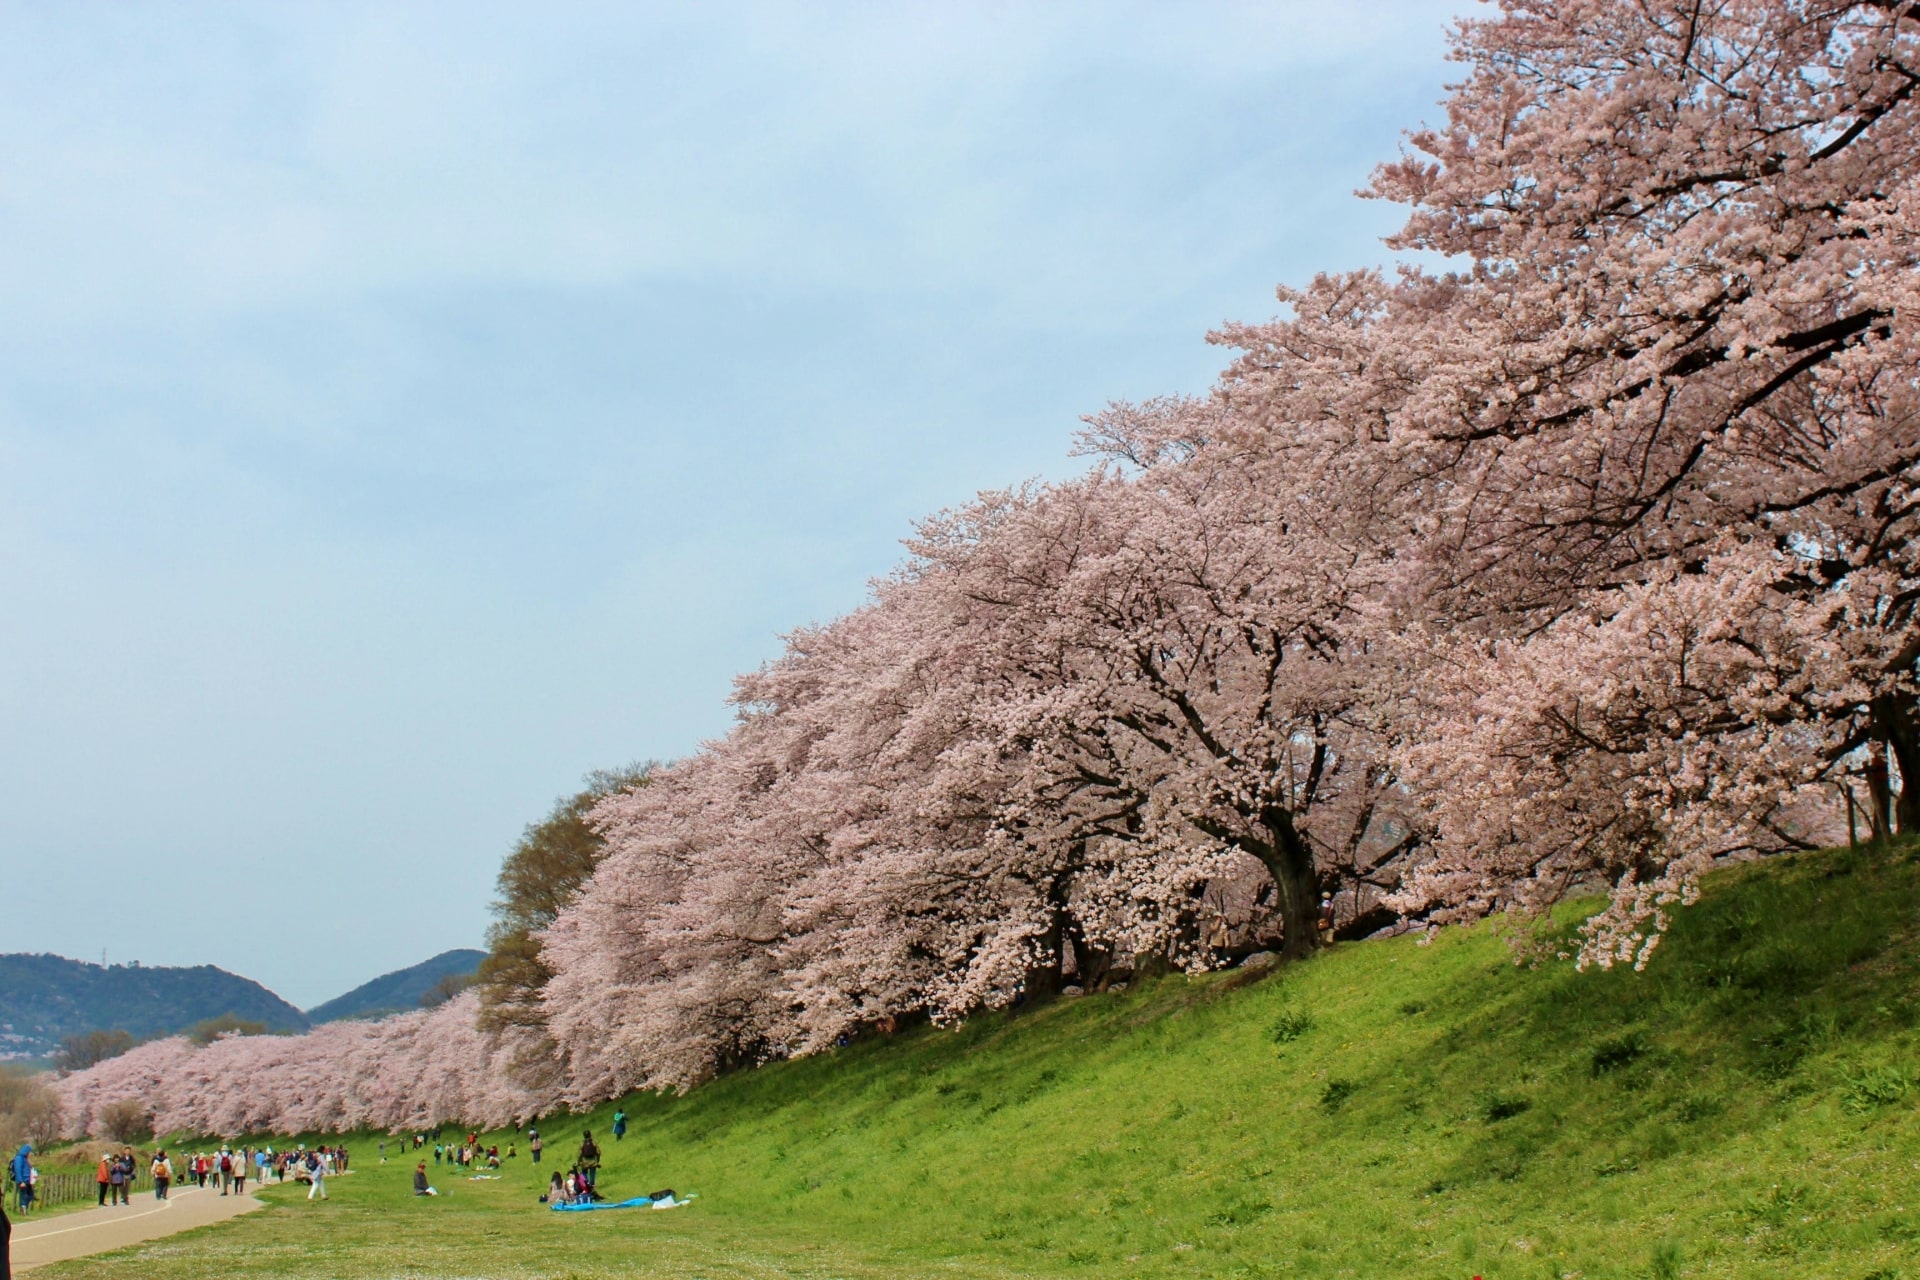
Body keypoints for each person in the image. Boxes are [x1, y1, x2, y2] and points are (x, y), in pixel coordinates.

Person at [9, 1148, 31, 1214]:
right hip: (23, 1180)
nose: (29, 1154)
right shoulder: (19, 1158)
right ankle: (23, 1209)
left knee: (28, 1195)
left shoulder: (25, 1159)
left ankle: (25, 1209)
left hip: (27, 1180)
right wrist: (21, 1181)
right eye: (28, 1152)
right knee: (23, 1195)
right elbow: (18, 1170)